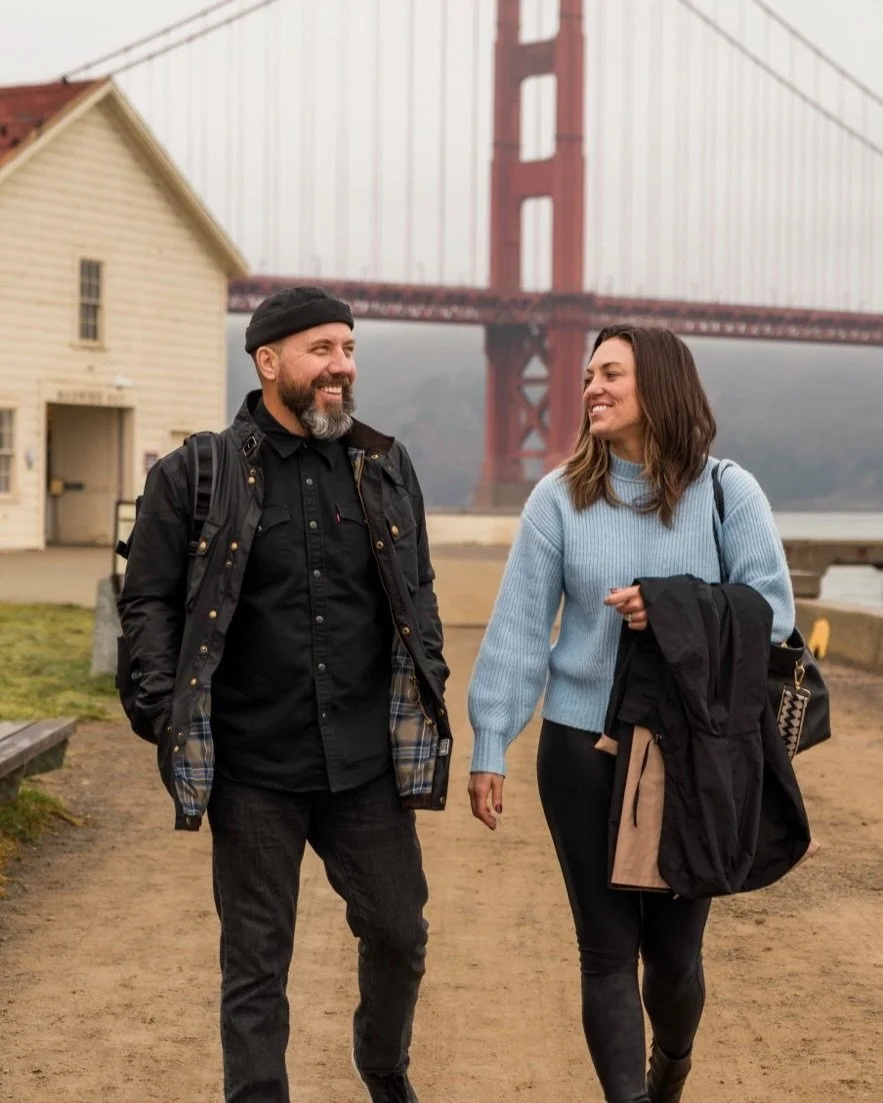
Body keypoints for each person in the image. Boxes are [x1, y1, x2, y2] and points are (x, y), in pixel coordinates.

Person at [118, 286, 451, 1103]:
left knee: (399, 932)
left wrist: (431, 669)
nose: (341, 366)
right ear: (268, 362)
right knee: (256, 959)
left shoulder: (384, 463)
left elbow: (419, 589)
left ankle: (383, 1066)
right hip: (252, 766)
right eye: (321, 350)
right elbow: (148, 602)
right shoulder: (194, 472)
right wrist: (165, 711)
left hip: (365, 767)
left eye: (348, 348)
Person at [466, 324, 795, 1103]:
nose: (589, 388)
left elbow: (773, 613)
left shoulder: (727, 491)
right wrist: (491, 741)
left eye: (610, 373)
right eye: (587, 376)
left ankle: (671, 1063)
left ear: (662, 386)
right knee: (605, 949)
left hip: (693, 751)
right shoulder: (558, 499)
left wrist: (672, 608)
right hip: (582, 746)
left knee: (674, 956)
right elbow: (518, 627)